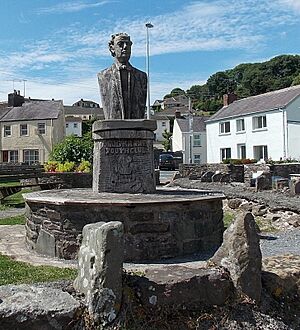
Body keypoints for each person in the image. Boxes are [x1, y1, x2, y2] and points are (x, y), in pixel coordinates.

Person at [98, 33, 147, 119]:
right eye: (120, 44)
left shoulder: (141, 76)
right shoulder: (103, 76)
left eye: (128, 44)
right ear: (112, 48)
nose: (125, 47)